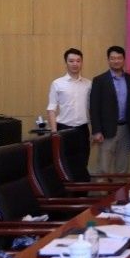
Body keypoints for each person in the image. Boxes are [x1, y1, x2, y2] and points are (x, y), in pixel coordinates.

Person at [89, 46, 130, 174]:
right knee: (103, 168)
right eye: (113, 58)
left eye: (119, 58)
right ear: (108, 60)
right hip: (106, 131)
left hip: (126, 129)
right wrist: (96, 131)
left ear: (124, 60)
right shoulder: (99, 80)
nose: (116, 61)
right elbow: (94, 107)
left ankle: (120, 188)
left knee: (122, 168)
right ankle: (103, 188)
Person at [46, 48, 92, 181]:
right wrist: (54, 132)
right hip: (63, 129)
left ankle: (82, 192)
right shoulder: (57, 83)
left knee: (82, 163)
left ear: (82, 62)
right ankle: (66, 192)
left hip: (82, 130)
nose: (75, 64)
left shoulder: (89, 84)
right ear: (66, 63)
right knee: (64, 165)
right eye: (71, 61)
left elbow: (92, 108)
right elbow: (51, 108)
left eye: (78, 61)